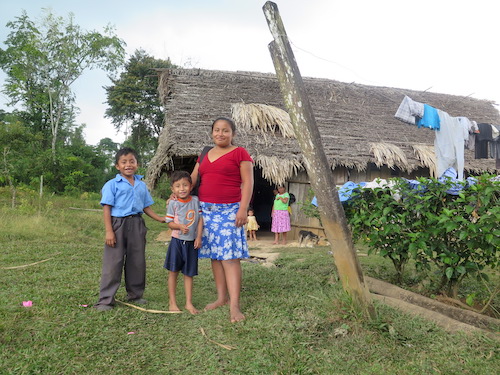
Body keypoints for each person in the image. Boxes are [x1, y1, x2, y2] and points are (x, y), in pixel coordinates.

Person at [191, 117, 253, 323]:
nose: (220, 134)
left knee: (230, 258)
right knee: (215, 257)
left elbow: (248, 183)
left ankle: (234, 304)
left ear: (233, 134)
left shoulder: (240, 153)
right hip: (205, 211)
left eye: (225, 130)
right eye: (217, 130)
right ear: (211, 133)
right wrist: (178, 193)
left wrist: (243, 209)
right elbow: (193, 178)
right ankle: (221, 298)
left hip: (229, 211)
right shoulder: (205, 154)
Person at [94, 147, 166, 311]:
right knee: (114, 262)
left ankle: (135, 295)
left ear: (137, 164)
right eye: (124, 162)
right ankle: (105, 300)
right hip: (118, 224)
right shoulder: (112, 185)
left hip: (137, 224)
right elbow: (107, 208)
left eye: (132, 161)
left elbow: (146, 206)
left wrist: (159, 218)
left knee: (137, 261)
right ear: (117, 166)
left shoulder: (141, 185)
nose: (128, 165)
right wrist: (109, 231)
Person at [164, 171, 203, 314]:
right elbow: (169, 222)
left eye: (185, 185)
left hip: (192, 243)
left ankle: (188, 303)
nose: (182, 189)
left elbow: (199, 220)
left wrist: (199, 237)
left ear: (191, 186)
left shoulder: (195, 200)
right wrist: (179, 226)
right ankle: (172, 302)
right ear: (172, 189)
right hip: (177, 242)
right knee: (173, 271)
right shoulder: (173, 203)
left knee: (189, 274)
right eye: (178, 186)